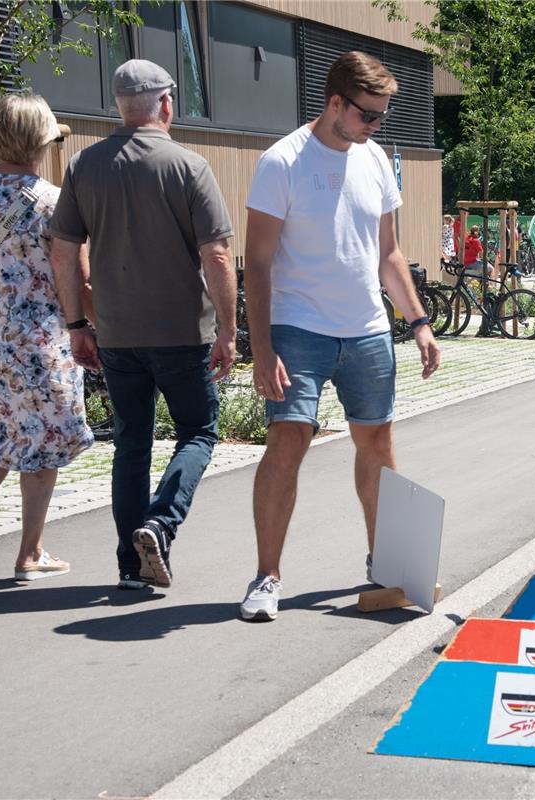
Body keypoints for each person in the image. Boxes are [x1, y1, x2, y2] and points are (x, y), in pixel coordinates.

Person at [239, 50, 440, 622]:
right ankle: (266, 577)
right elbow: (256, 263)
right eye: (368, 115)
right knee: (289, 440)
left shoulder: (375, 159)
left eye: (381, 116)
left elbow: (389, 254)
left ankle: (388, 564)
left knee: (377, 443)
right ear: (335, 102)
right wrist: (262, 349)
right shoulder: (282, 162)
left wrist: (418, 322)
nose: (376, 126)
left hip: (367, 330)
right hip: (297, 328)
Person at [49, 60, 237, 591]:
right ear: (167, 104)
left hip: (116, 334)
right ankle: (161, 522)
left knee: (131, 445)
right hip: (181, 332)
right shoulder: (189, 166)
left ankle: (130, 568)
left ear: (119, 106)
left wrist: (77, 323)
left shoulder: (85, 166)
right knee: (198, 432)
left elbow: (65, 251)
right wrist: (228, 329)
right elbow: (218, 255)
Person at [0, 92, 94, 581]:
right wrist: (97, 327)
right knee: (44, 436)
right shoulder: (54, 202)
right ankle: (30, 552)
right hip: (40, 337)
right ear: (42, 139)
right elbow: (74, 275)